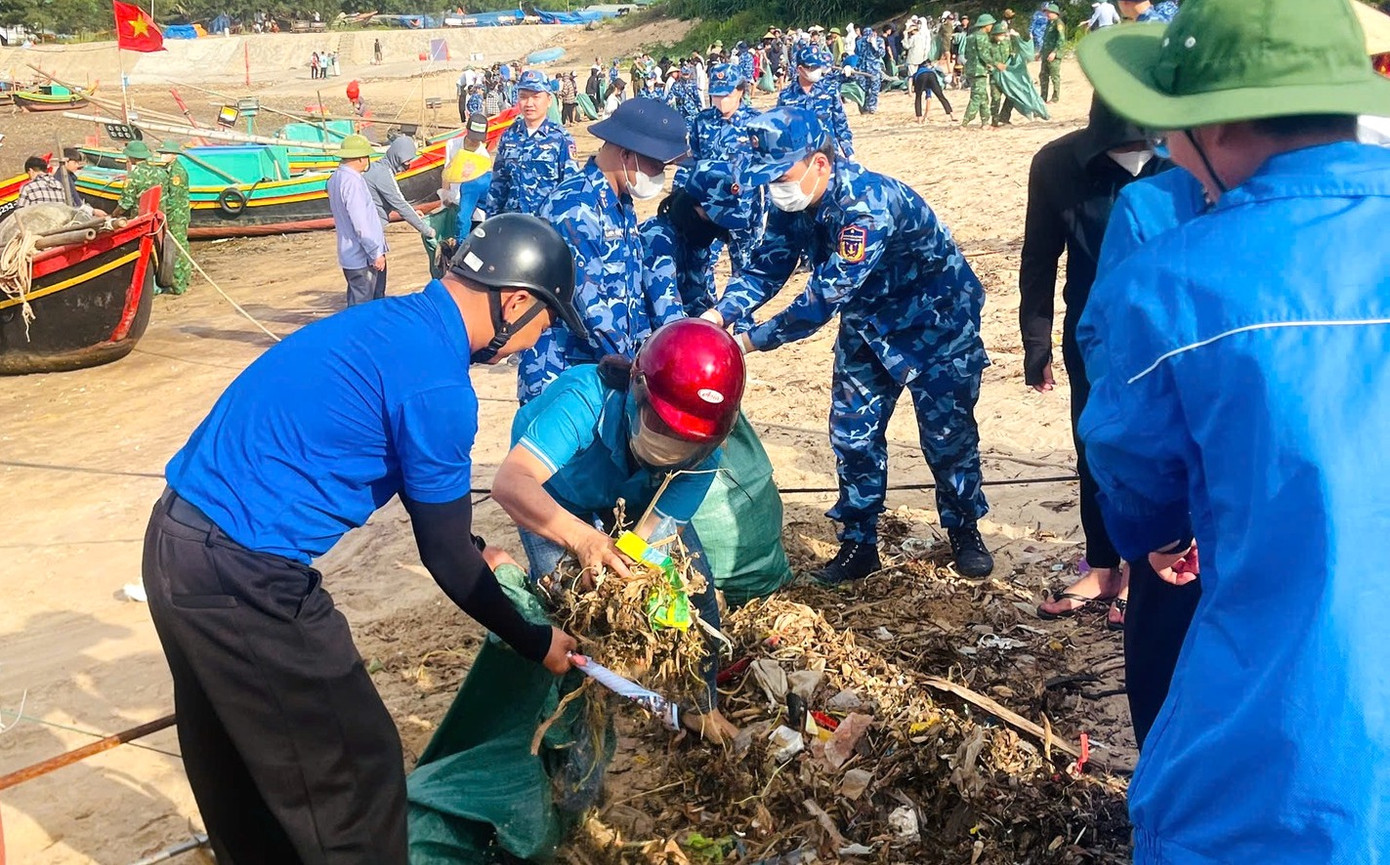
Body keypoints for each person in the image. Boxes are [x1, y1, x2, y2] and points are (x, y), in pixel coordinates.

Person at [143, 213, 586, 865]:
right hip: (243, 577)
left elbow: (440, 518)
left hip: (172, 543)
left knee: (240, 761)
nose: (531, 342)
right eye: (543, 324)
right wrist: (537, 640)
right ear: (515, 301)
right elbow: (444, 561)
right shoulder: (442, 387)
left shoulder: (393, 323)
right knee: (356, 769)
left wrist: (474, 545)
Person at [1075, 0, 1390, 860]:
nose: (1169, 149)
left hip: (1293, 748)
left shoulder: (1172, 288)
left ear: (1224, 124)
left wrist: (1163, 536)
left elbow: (1137, 489)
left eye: (1177, 125)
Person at [710, 107, 994, 583]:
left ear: (819, 164)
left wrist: (745, 343)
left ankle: (965, 530)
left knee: (948, 440)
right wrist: (718, 315)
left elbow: (822, 298)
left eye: (781, 175)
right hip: (869, 328)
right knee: (853, 437)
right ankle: (859, 544)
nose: (775, 188)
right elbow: (766, 267)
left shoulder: (867, 205)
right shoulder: (794, 204)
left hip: (937, 327)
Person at [494, 318, 746, 743]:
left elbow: (646, 542)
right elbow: (511, 484)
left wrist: (637, 576)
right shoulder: (583, 400)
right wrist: (584, 539)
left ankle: (702, 707)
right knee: (569, 611)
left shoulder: (702, 457)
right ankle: (576, 740)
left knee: (696, 586)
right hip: (556, 494)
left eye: (690, 442)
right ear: (637, 391)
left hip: (632, 495)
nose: (676, 448)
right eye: (664, 429)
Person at [1018, 98, 1172, 628]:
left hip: (1169, 329)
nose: (1136, 155)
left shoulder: (1184, 157)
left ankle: (1143, 568)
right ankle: (1104, 566)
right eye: (1122, 146)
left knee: (1159, 449)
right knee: (1095, 446)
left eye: (1145, 144)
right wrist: (1035, 340)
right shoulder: (1057, 165)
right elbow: (1040, 256)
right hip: (1093, 333)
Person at [519, 98, 688, 403]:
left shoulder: (619, 203)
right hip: (565, 375)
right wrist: (646, 370)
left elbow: (628, 289)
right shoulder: (574, 207)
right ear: (625, 153)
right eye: (656, 164)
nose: (661, 174)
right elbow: (591, 307)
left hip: (608, 370)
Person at [640, 160, 759, 319]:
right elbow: (666, 314)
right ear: (691, 205)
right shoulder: (656, 239)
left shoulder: (693, 238)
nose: (716, 227)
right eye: (712, 217)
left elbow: (698, 300)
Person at [481, 70, 578, 218]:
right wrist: (491, 223)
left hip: (546, 225)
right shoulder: (509, 136)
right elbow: (498, 183)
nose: (529, 103)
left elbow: (571, 188)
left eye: (536, 97)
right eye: (523, 97)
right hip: (513, 224)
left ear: (549, 100)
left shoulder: (561, 138)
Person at [362, 134, 436, 296]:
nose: (408, 165)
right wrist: (426, 230)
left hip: (365, 232)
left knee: (367, 285)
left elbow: (390, 202)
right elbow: (400, 204)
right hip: (372, 234)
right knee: (376, 285)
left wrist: (412, 213)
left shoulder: (376, 168)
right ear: (397, 156)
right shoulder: (383, 174)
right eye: (406, 161)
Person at [326, 134, 387, 306]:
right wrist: (375, 253)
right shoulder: (352, 182)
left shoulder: (335, 178)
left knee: (360, 304)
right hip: (362, 257)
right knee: (365, 308)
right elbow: (361, 222)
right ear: (361, 158)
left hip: (350, 255)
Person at [777, 44, 855, 157]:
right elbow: (781, 128)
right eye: (812, 68)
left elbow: (840, 123)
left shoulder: (829, 90)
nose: (817, 71)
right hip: (800, 157)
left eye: (819, 67)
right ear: (800, 69)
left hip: (828, 154)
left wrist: (849, 152)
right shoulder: (786, 96)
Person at [154, 141, 193, 295]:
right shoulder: (168, 169)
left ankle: (179, 284)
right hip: (175, 215)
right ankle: (183, 279)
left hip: (177, 216)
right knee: (181, 247)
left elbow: (174, 199)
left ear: (174, 155)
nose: (162, 156)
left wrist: (162, 213)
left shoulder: (177, 172)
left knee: (176, 248)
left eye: (165, 153)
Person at [906, 20, 955, 122]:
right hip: (931, 75)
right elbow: (929, 98)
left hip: (922, 77)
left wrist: (910, 91)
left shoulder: (916, 73)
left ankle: (919, 119)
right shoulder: (927, 69)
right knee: (941, 96)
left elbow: (910, 79)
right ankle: (951, 115)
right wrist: (926, 115)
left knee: (918, 97)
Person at [111, 141, 168, 221]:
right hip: (159, 219)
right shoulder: (162, 172)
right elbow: (165, 195)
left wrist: (114, 215)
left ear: (132, 157)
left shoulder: (132, 177)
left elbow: (126, 203)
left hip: (141, 220)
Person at [960, 14, 997, 127]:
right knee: (977, 97)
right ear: (985, 25)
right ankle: (965, 122)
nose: (991, 26)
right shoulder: (982, 37)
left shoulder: (970, 37)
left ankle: (985, 122)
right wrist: (995, 64)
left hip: (971, 70)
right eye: (990, 24)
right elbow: (984, 55)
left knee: (983, 96)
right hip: (979, 71)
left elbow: (966, 54)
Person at [855, 26, 885, 113]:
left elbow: (882, 54)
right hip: (863, 69)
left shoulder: (879, 40)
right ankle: (865, 107)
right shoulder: (859, 42)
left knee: (874, 89)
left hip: (873, 68)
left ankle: (871, 107)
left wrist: (874, 45)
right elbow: (857, 54)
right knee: (864, 89)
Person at [1039, 3, 1064, 103]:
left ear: (1055, 13)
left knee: (1054, 76)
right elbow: (1046, 40)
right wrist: (1040, 53)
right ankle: (1043, 97)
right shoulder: (1050, 23)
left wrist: (1054, 52)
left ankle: (1055, 97)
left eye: (1049, 12)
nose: (1047, 14)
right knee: (1043, 76)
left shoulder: (1059, 23)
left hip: (1054, 55)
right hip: (1046, 54)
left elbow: (1061, 40)